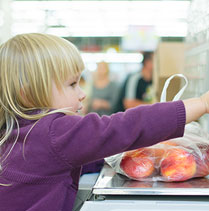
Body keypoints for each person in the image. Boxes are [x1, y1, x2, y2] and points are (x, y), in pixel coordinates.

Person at [0, 33, 208, 211]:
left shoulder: (17, 131)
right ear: (28, 95)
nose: (82, 94)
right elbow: (124, 126)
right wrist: (200, 104)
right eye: (72, 84)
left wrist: (123, 155)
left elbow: (78, 156)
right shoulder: (53, 131)